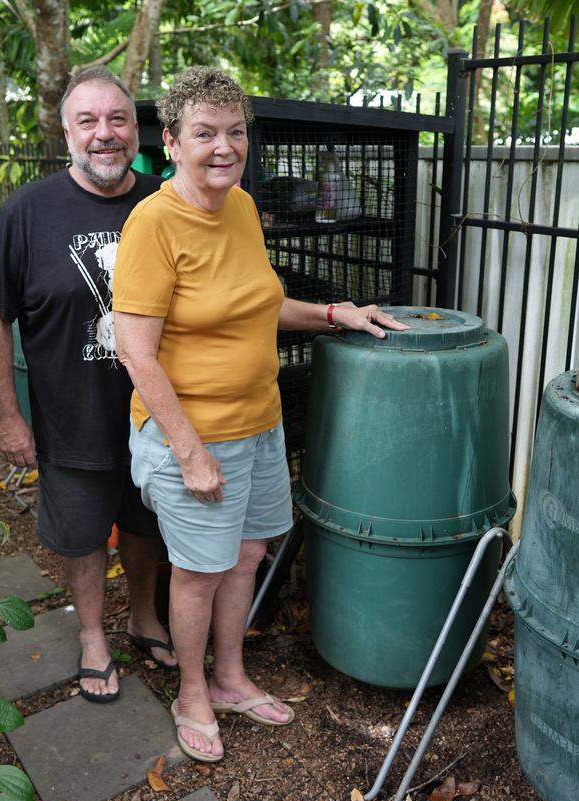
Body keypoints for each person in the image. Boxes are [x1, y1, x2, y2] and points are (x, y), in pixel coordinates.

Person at [113, 66, 409, 760]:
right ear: (173, 141)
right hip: (192, 436)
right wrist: (189, 451)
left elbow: (259, 303)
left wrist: (334, 311)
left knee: (246, 555)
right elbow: (136, 352)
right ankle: (191, 690)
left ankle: (230, 676)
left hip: (260, 422)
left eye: (236, 132)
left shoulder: (241, 208)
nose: (224, 147)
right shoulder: (154, 224)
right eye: (206, 133)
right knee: (198, 570)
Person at [0, 65, 177, 704]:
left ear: (135, 130)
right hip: (71, 416)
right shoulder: (28, 210)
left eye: (117, 119)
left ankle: (144, 617)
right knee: (83, 533)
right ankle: (93, 635)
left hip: (157, 414)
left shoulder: (166, 201)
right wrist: (8, 417)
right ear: (67, 133)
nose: (104, 134)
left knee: (146, 525)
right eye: (87, 121)